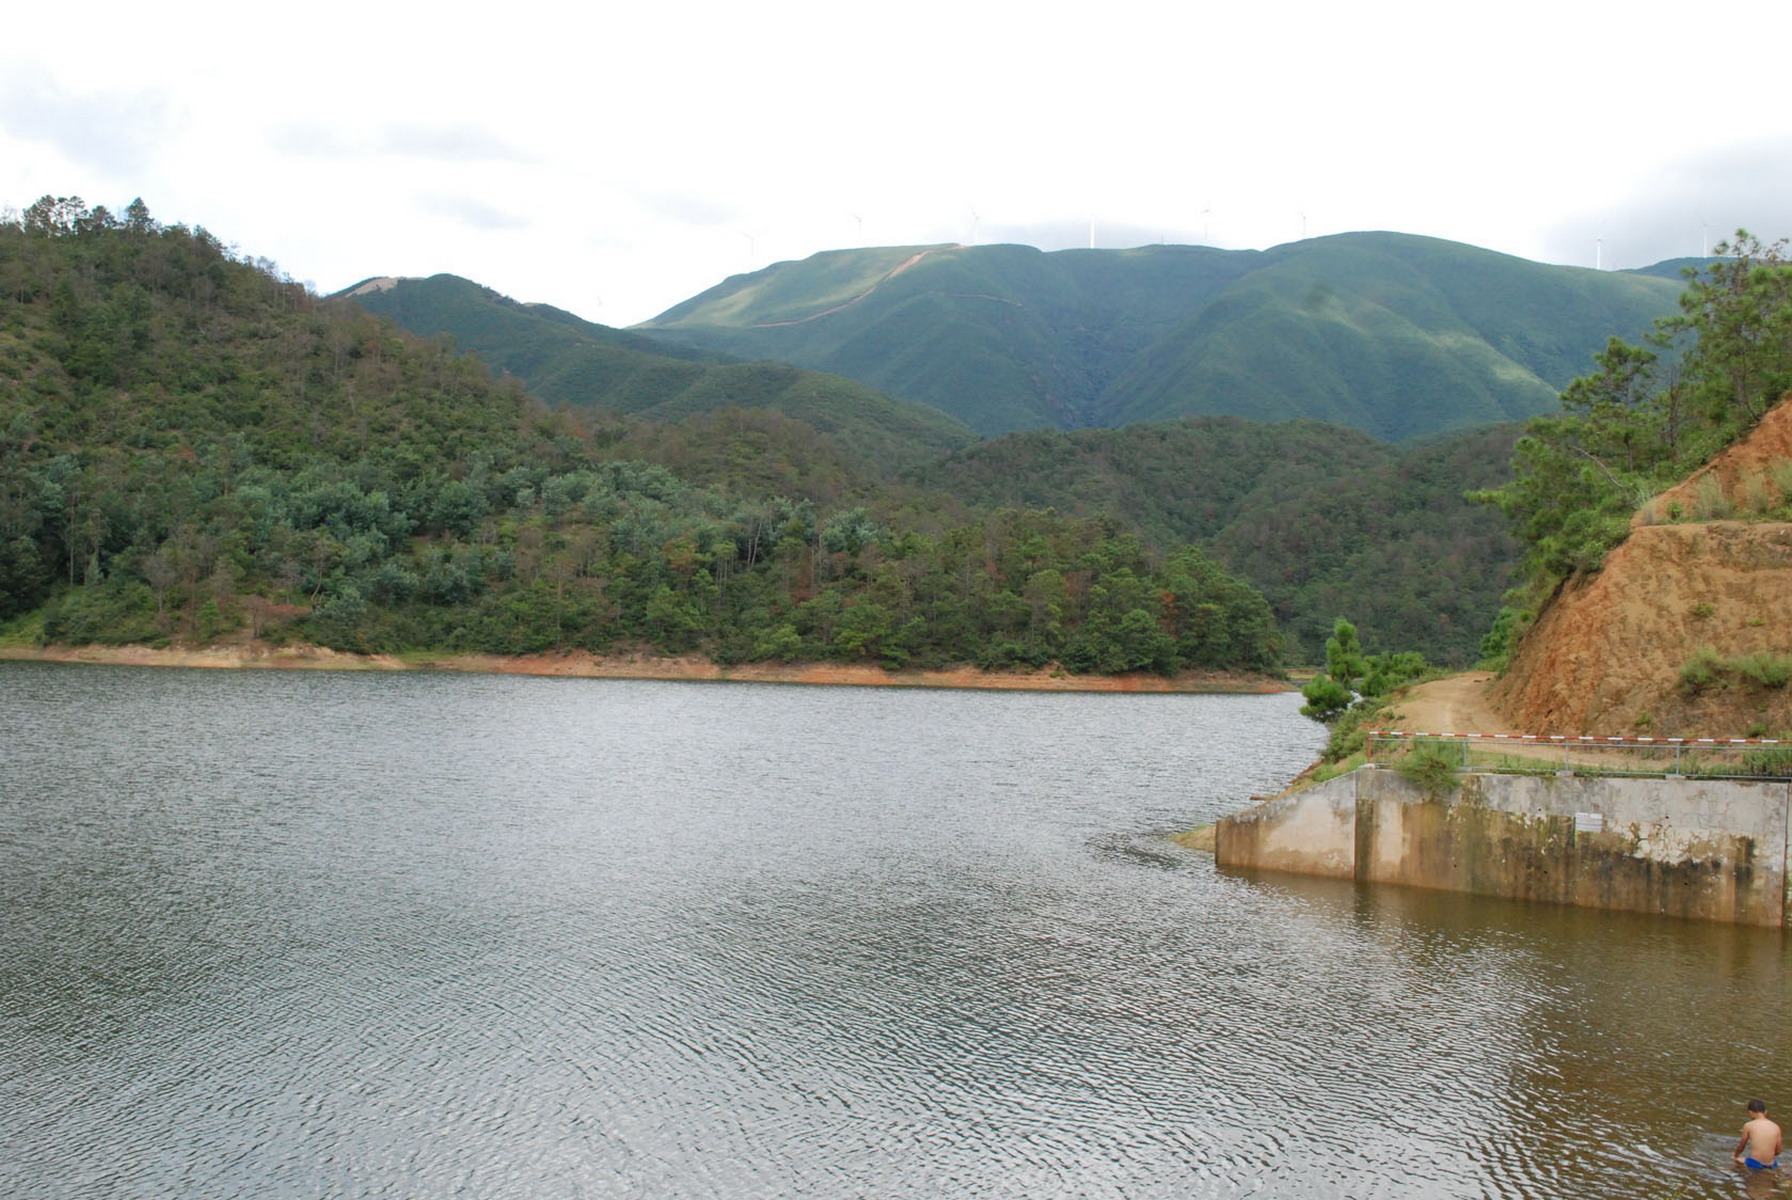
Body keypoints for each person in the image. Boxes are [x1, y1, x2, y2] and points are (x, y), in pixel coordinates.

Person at [1735, 1099, 1783, 1170]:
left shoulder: (1749, 1125)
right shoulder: (1776, 1127)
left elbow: (1741, 1146)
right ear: (1765, 1112)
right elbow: (1778, 1151)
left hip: (1754, 1163)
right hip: (1772, 1165)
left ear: (1750, 1112)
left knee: (1735, 1162)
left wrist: (1735, 1156)